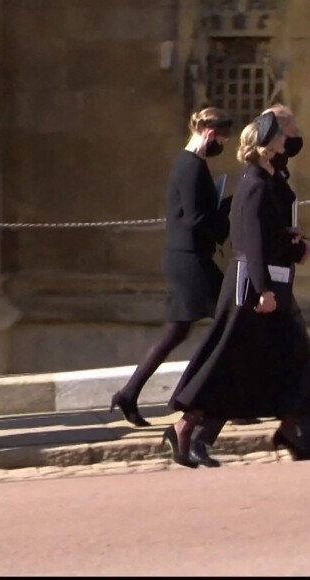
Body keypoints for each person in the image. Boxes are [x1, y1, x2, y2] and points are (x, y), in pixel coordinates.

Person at [165, 111, 310, 468]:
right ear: (264, 145)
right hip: (251, 288)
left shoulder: (268, 180)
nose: (285, 140)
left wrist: (294, 244)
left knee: (284, 361)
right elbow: (251, 243)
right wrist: (264, 290)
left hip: (267, 285)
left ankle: (290, 426)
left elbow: (271, 237)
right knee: (228, 361)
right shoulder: (254, 184)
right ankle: (188, 428)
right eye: (278, 135)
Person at [109, 107, 233, 431]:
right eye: (222, 138)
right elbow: (197, 220)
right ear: (209, 133)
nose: (223, 145)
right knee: (231, 318)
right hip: (191, 260)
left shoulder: (187, 163)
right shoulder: (192, 167)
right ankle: (208, 401)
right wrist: (228, 212)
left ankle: (128, 393)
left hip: (184, 257)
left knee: (177, 331)